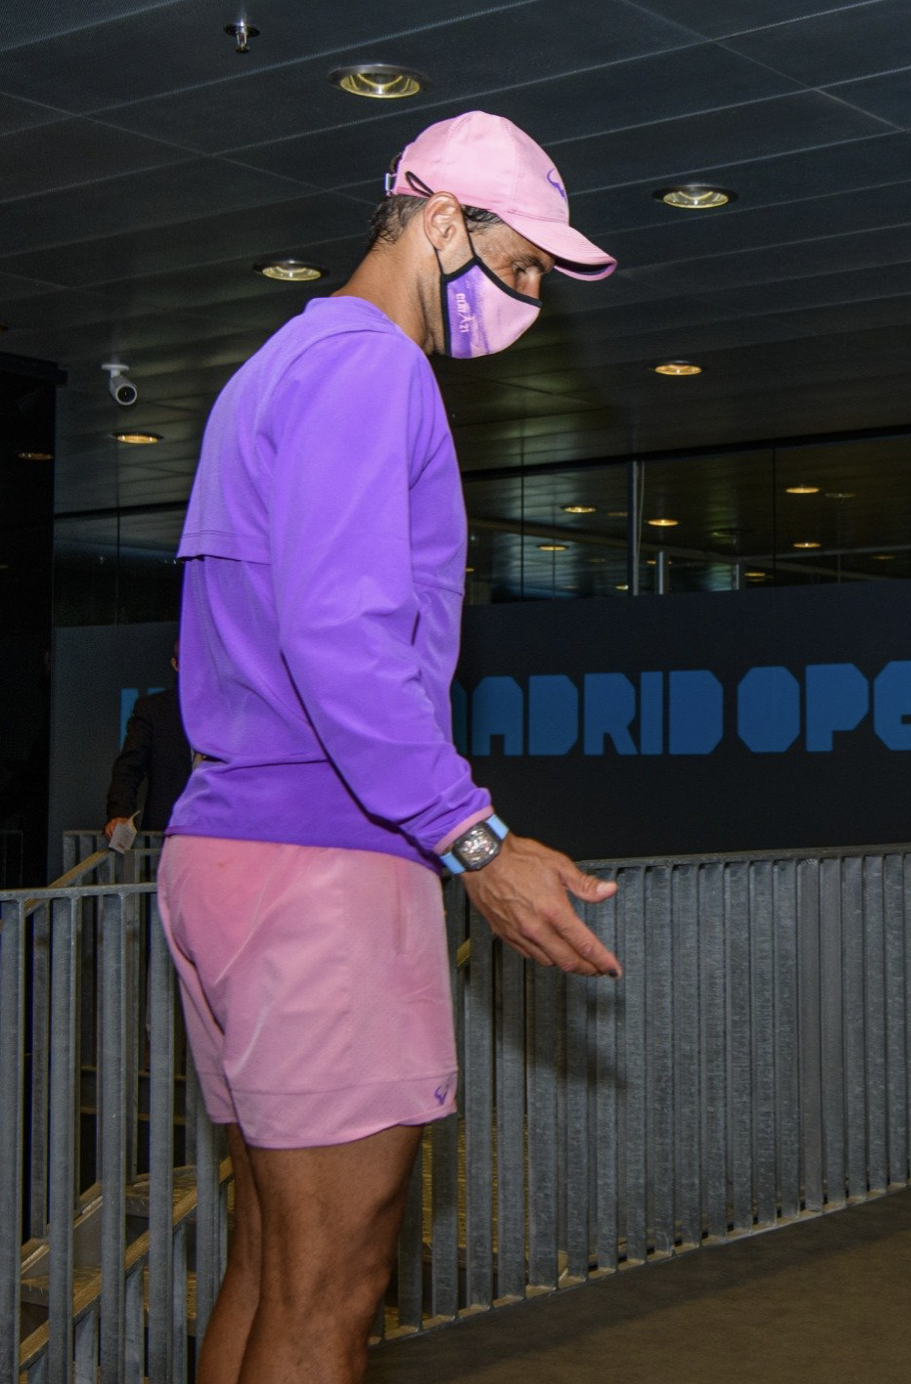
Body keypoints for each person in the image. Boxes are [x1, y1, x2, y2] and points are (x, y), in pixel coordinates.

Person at [157, 112, 620, 1384]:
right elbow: (339, 640)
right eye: (517, 265)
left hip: (230, 852)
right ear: (437, 221)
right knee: (336, 1288)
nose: (525, 299)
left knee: (272, 1263)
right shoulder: (372, 368)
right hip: (323, 864)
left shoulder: (281, 364)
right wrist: (473, 838)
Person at [103, 641, 191, 841]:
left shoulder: (229, 710)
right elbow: (129, 767)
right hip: (165, 834)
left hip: (222, 836)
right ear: (176, 664)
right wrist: (120, 814)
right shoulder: (153, 710)